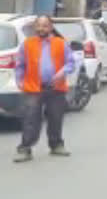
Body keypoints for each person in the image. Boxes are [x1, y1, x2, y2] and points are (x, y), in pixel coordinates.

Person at [13, 15, 80, 162]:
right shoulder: (27, 44)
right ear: (35, 27)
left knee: (56, 117)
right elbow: (20, 65)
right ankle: (25, 148)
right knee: (31, 118)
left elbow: (71, 63)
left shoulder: (61, 43)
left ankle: (56, 145)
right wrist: (19, 81)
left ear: (50, 27)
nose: (41, 29)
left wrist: (61, 73)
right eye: (38, 26)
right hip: (33, 88)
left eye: (44, 26)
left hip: (55, 87)